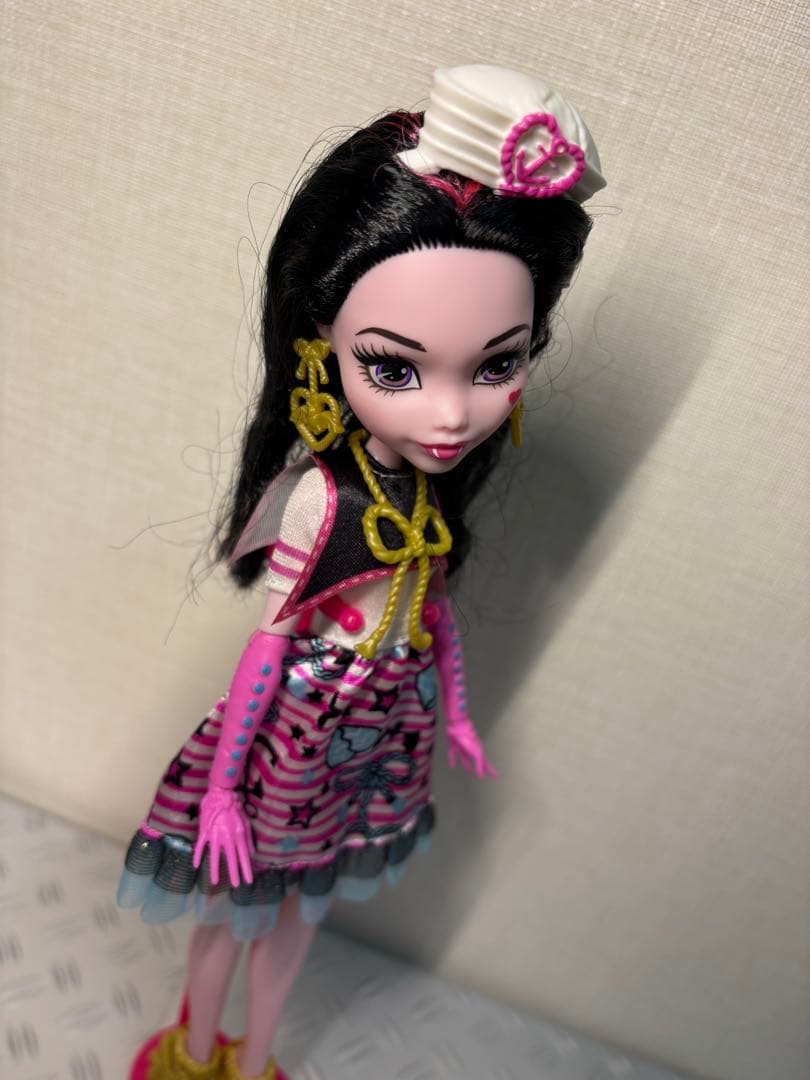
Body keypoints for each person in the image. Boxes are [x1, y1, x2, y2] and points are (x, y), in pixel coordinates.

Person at [118, 63, 604, 1080]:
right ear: (323, 347)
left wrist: (455, 707)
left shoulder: (425, 494)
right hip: (297, 735)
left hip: (384, 733)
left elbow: (430, 608)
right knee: (233, 916)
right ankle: (195, 1052)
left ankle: (256, 1056)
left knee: (301, 917)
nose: (451, 413)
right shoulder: (324, 501)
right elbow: (269, 647)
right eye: (395, 367)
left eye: (498, 364)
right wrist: (220, 792)